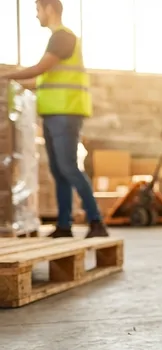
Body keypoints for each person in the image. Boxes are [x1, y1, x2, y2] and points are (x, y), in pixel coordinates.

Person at [1, 0, 108, 238]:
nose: (36, 16)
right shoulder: (57, 38)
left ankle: (96, 221)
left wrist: (6, 76)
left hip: (66, 112)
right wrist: (15, 83)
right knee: (59, 171)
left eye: (37, 10)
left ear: (49, 9)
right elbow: (41, 80)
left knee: (69, 168)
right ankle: (63, 225)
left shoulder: (62, 37)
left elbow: (41, 68)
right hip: (53, 113)